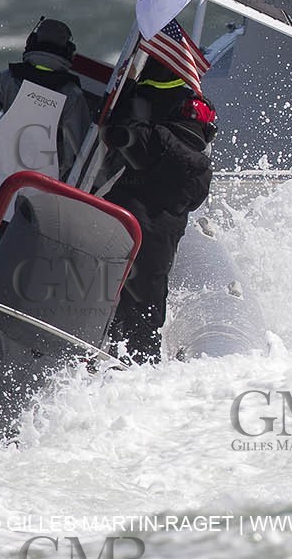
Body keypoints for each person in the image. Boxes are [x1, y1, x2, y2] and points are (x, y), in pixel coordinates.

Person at [98, 63, 216, 363]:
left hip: (122, 229)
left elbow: (120, 135)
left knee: (101, 299)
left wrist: (126, 98)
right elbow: (191, 203)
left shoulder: (156, 138)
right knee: (145, 320)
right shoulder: (203, 172)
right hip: (160, 250)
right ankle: (140, 367)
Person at [0, 19, 93, 246]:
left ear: (31, 43)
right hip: (35, 194)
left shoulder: (8, 78)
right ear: (68, 53)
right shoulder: (72, 95)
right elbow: (75, 155)